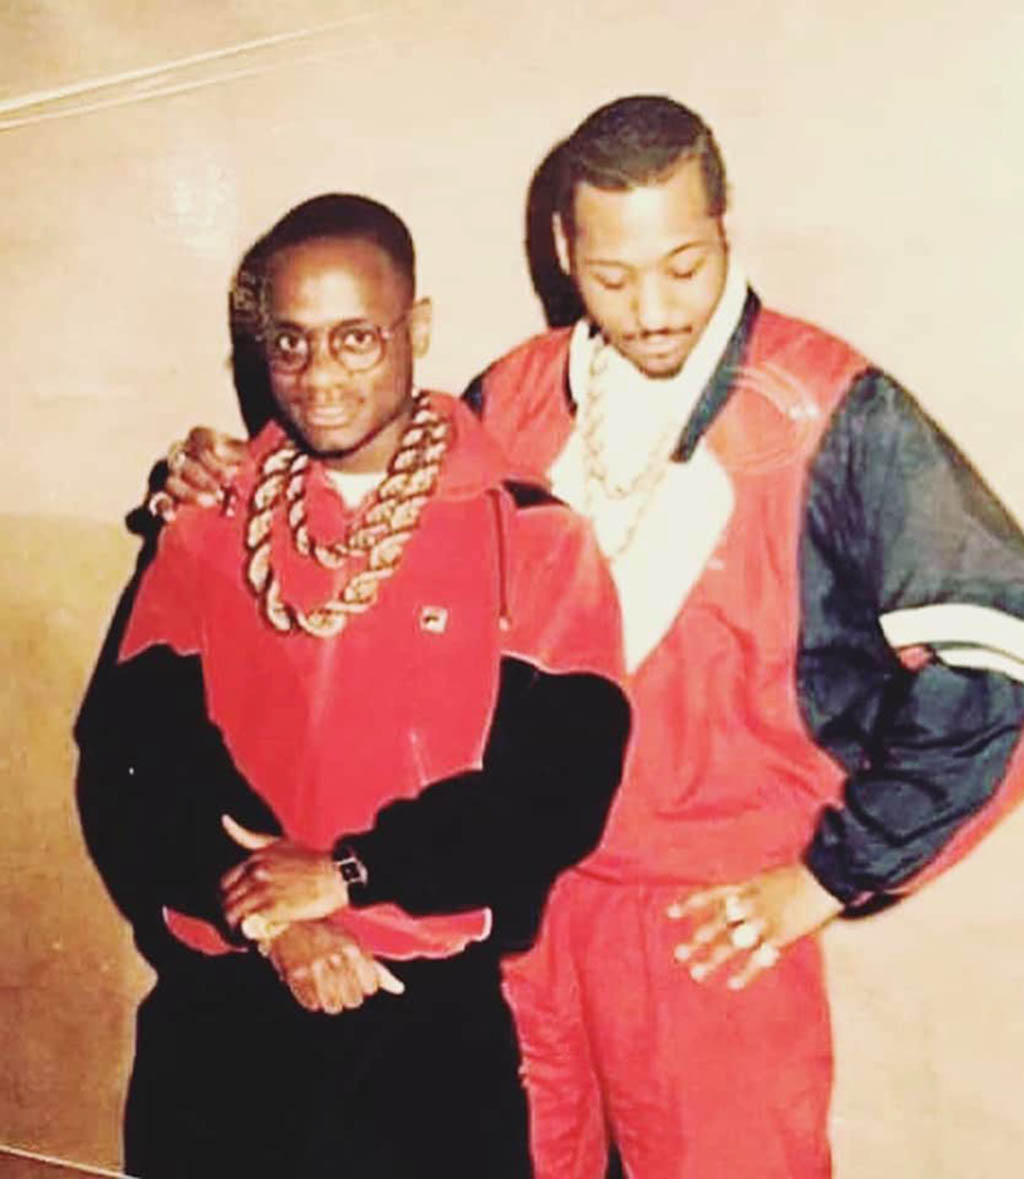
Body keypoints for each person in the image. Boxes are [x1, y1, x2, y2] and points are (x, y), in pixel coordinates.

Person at [150, 97, 1024, 1179]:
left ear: (725, 230)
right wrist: (232, 473)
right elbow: (368, 486)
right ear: (563, 252)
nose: (652, 310)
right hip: (521, 905)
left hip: (702, 920)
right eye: (613, 276)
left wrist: (828, 876)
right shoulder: (515, 395)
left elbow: (999, 650)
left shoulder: (829, 404)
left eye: (684, 267)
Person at [75, 192, 631, 1179]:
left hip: (420, 1026)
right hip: (228, 1001)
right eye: (290, 343)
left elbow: (556, 795)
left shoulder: (531, 538)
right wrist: (278, 921)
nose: (319, 376)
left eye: (356, 338)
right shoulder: (208, 524)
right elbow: (131, 765)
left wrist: (351, 874)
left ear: (417, 328)